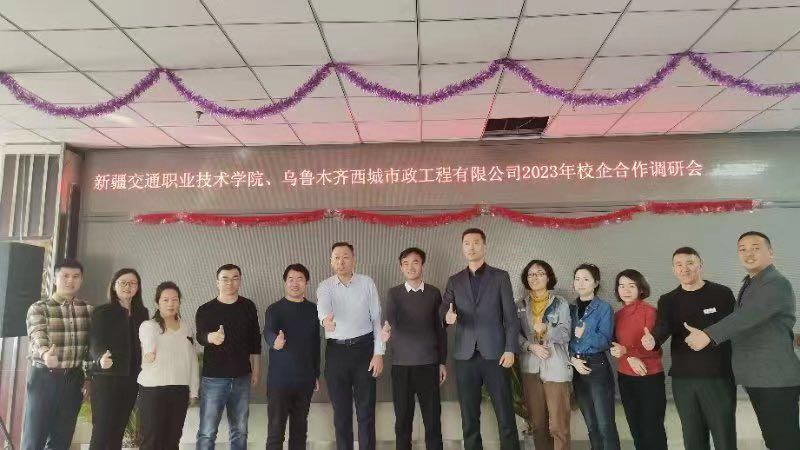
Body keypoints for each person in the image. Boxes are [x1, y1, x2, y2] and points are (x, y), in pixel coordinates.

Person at [685, 232, 800, 450]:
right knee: (775, 439)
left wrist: (708, 335)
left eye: (755, 248)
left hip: (774, 378)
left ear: (770, 253)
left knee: (783, 441)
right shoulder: (753, 282)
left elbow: (746, 316)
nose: (749, 253)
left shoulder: (775, 283)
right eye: (743, 249)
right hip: (760, 376)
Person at [642, 247, 736, 450]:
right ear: (673, 269)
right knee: (692, 437)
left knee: (724, 435)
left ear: (700, 265)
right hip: (683, 379)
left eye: (690, 263)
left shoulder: (722, 294)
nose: (684, 268)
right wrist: (652, 340)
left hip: (717, 376)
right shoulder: (668, 299)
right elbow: (663, 328)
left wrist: (708, 336)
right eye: (679, 264)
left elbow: (733, 327)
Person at [440, 228, 520, 450]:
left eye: (476, 242)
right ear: (462, 248)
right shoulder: (455, 280)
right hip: (465, 356)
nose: (471, 247)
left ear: (484, 246)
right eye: (467, 243)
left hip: (496, 355)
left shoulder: (500, 277)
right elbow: (443, 309)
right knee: (469, 417)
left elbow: (511, 318)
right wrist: (446, 317)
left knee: (505, 414)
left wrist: (510, 349)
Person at [318, 242, 385, 450]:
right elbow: (323, 310)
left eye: (345, 257)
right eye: (336, 258)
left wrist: (378, 353)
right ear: (331, 262)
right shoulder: (325, 286)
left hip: (364, 350)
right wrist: (325, 321)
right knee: (341, 413)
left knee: (366, 412)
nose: (341, 261)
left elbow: (377, 320)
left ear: (354, 259)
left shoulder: (367, 283)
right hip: (336, 352)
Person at [22, 259, 92, 450]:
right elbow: (37, 335)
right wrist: (46, 354)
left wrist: (88, 378)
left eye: (76, 276)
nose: (71, 280)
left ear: (81, 279)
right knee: (34, 440)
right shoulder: (39, 308)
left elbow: (90, 349)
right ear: (54, 279)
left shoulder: (88, 310)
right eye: (65, 276)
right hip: (44, 378)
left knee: (62, 440)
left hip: (73, 381)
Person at [384, 247, 446, 450]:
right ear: (401, 267)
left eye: (415, 262)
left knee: (433, 420)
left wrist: (442, 362)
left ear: (422, 265)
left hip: (429, 364)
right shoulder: (394, 293)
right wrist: (385, 331)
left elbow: (440, 330)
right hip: (401, 366)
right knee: (402, 421)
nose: (410, 267)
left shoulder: (434, 293)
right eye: (406, 263)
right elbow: (389, 321)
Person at [195, 264, 262, 450]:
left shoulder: (248, 306)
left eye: (235, 278)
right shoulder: (206, 309)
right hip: (213, 379)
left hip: (242, 377)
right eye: (225, 278)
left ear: (240, 281)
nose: (230, 282)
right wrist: (212, 337)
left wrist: (256, 370)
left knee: (240, 430)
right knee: (207, 431)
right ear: (217, 282)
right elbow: (200, 336)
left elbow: (255, 341)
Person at [88, 268, 149, 450]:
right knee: (101, 431)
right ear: (114, 286)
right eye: (123, 282)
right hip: (107, 378)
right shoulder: (102, 311)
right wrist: (100, 357)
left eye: (132, 283)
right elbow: (94, 341)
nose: (128, 287)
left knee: (118, 431)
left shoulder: (142, 313)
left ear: (138, 287)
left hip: (131, 379)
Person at [263, 264, 321, 450]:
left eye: (300, 279)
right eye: (291, 279)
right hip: (279, 381)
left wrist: (316, 374)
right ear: (285, 282)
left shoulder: (314, 310)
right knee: (275, 433)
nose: (295, 283)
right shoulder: (274, 309)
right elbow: (268, 331)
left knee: (299, 432)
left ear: (306, 283)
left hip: (305, 380)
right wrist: (274, 341)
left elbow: (316, 344)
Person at [516, 259, 572, 450]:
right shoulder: (519, 305)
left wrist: (547, 330)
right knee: (538, 424)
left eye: (540, 273)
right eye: (531, 274)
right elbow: (513, 334)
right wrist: (530, 347)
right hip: (530, 368)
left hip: (556, 367)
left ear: (549, 277)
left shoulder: (560, 302)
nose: (535, 277)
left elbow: (565, 332)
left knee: (558, 425)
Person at [138, 281, 200, 450]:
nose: (171, 304)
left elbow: (192, 361)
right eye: (165, 300)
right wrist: (149, 353)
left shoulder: (186, 328)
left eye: (175, 299)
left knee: (173, 441)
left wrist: (194, 390)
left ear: (179, 302)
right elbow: (148, 342)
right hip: (153, 391)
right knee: (151, 441)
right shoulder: (149, 326)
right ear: (157, 303)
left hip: (179, 390)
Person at [609, 269, 667, 450]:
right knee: (635, 427)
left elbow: (651, 345)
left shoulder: (650, 312)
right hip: (625, 377)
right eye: (621, 286)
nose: (625, 290)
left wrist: (628, 352)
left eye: (631, 286)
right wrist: (626, 355)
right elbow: (614, 345)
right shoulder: (616, 316)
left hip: (649, 376)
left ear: (641, 289)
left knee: (653, 428)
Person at [568, 263, 620, 450]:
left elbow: (605, 341)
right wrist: (572, 359)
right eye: (577, 279)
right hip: (576, 367)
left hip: (597, 367)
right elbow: (564, 340)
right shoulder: (570, 308)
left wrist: (586, 333)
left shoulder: (604, 308)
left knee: (605, 424)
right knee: (591, 424)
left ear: (596, 283)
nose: (580, 283)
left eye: (586, 279)